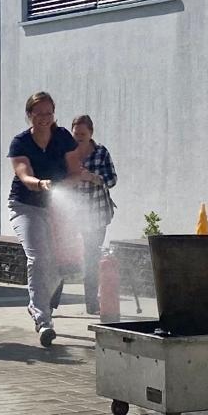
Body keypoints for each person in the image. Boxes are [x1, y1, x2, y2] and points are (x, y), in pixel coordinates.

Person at [8, 91, 83, 347]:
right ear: (29, 115)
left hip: (55, 207)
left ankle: (35, 304)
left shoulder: (62, 138)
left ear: (54, 114)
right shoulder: (20, 143)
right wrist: (39, 184)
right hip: (24, 206)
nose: (43, 118)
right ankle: (44, 321)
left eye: (48, 113)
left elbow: (75, 172)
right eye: (38, 113)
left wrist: (62, 187)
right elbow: (23, 175)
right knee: (38, 257)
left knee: (59, 265)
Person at [70, 115, 117, 315]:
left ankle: (91, 304)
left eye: (83, 134)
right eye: (76, 133)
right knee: (62, 257)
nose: (79, 137)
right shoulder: (66, 152)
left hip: (97, 214)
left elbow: (112, 179)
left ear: (91, 133)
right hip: (72, 215)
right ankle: (51, 303)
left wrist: (93, 178)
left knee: (91, 257)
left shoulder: (101, 152)